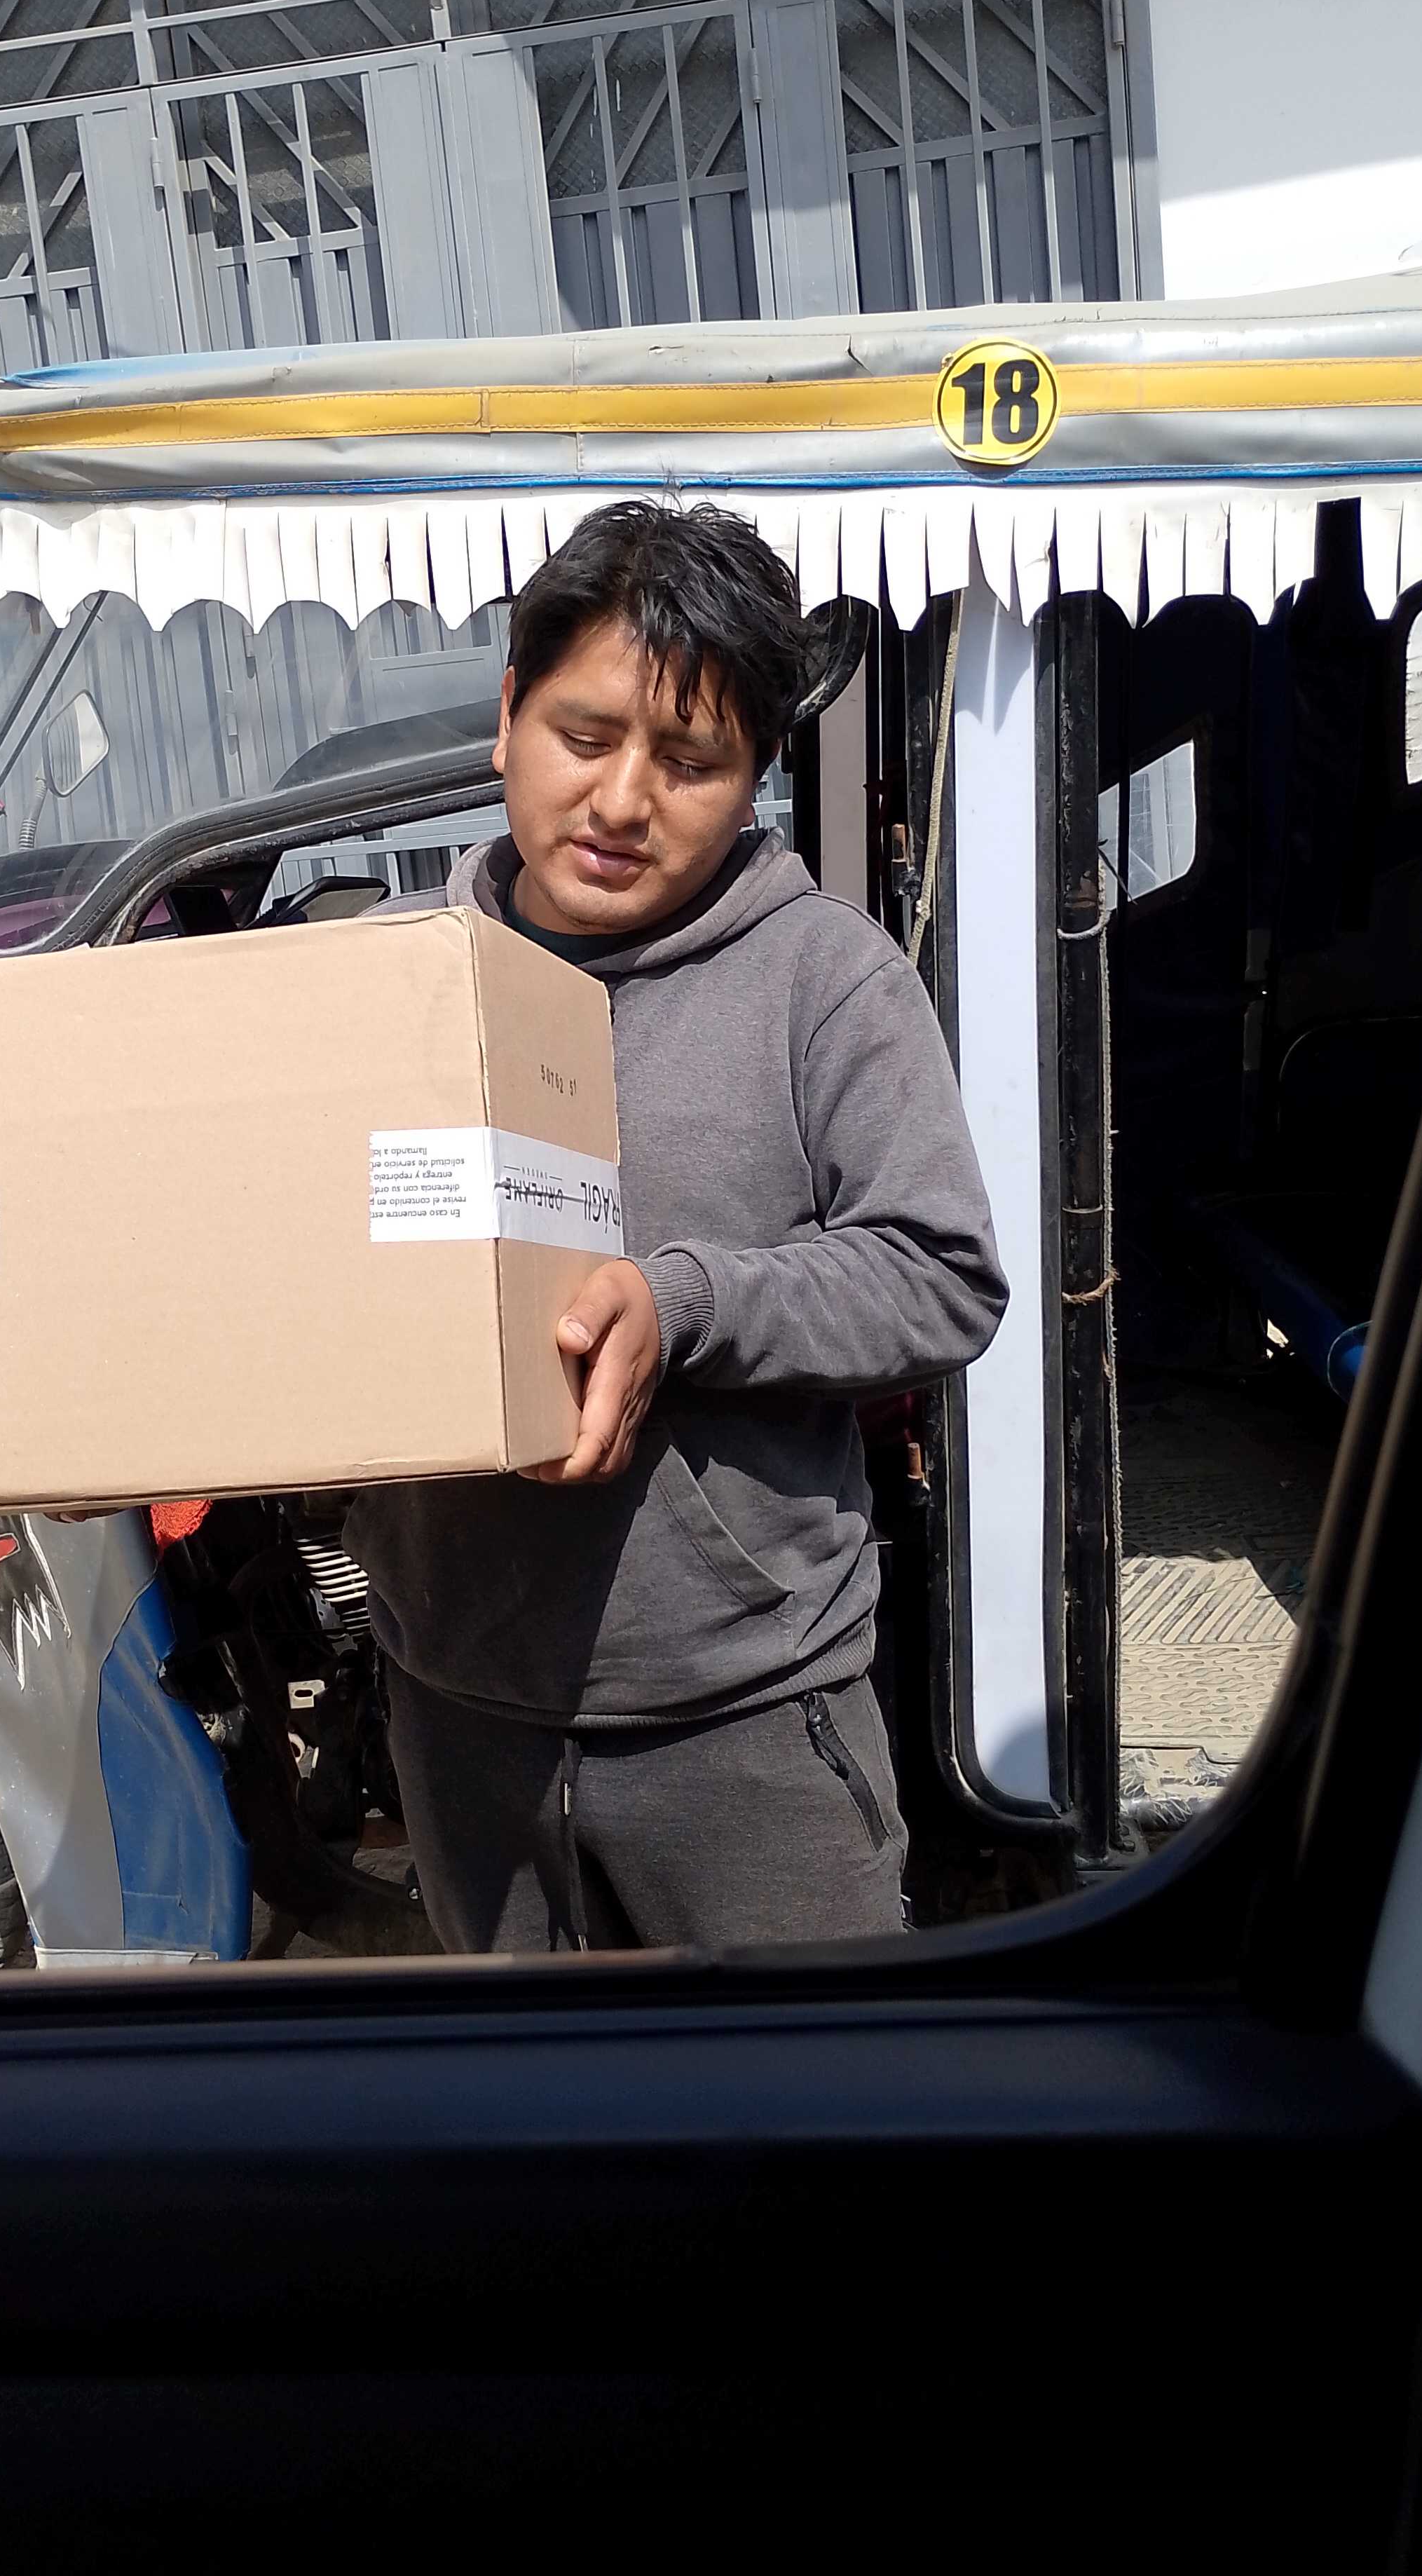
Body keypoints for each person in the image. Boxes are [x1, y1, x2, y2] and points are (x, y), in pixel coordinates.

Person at [346, 502, 1007, 1952]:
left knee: (795, 2098)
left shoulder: (827, 982)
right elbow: (282, 1276)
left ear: (757, 776)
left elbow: (942, 1276)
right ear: (507, 716)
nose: (623, 800)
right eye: (584, 737)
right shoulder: (388, 989)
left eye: (691, 762)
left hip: (748, 1721)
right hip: (459, 1711)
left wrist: (686, 1305)